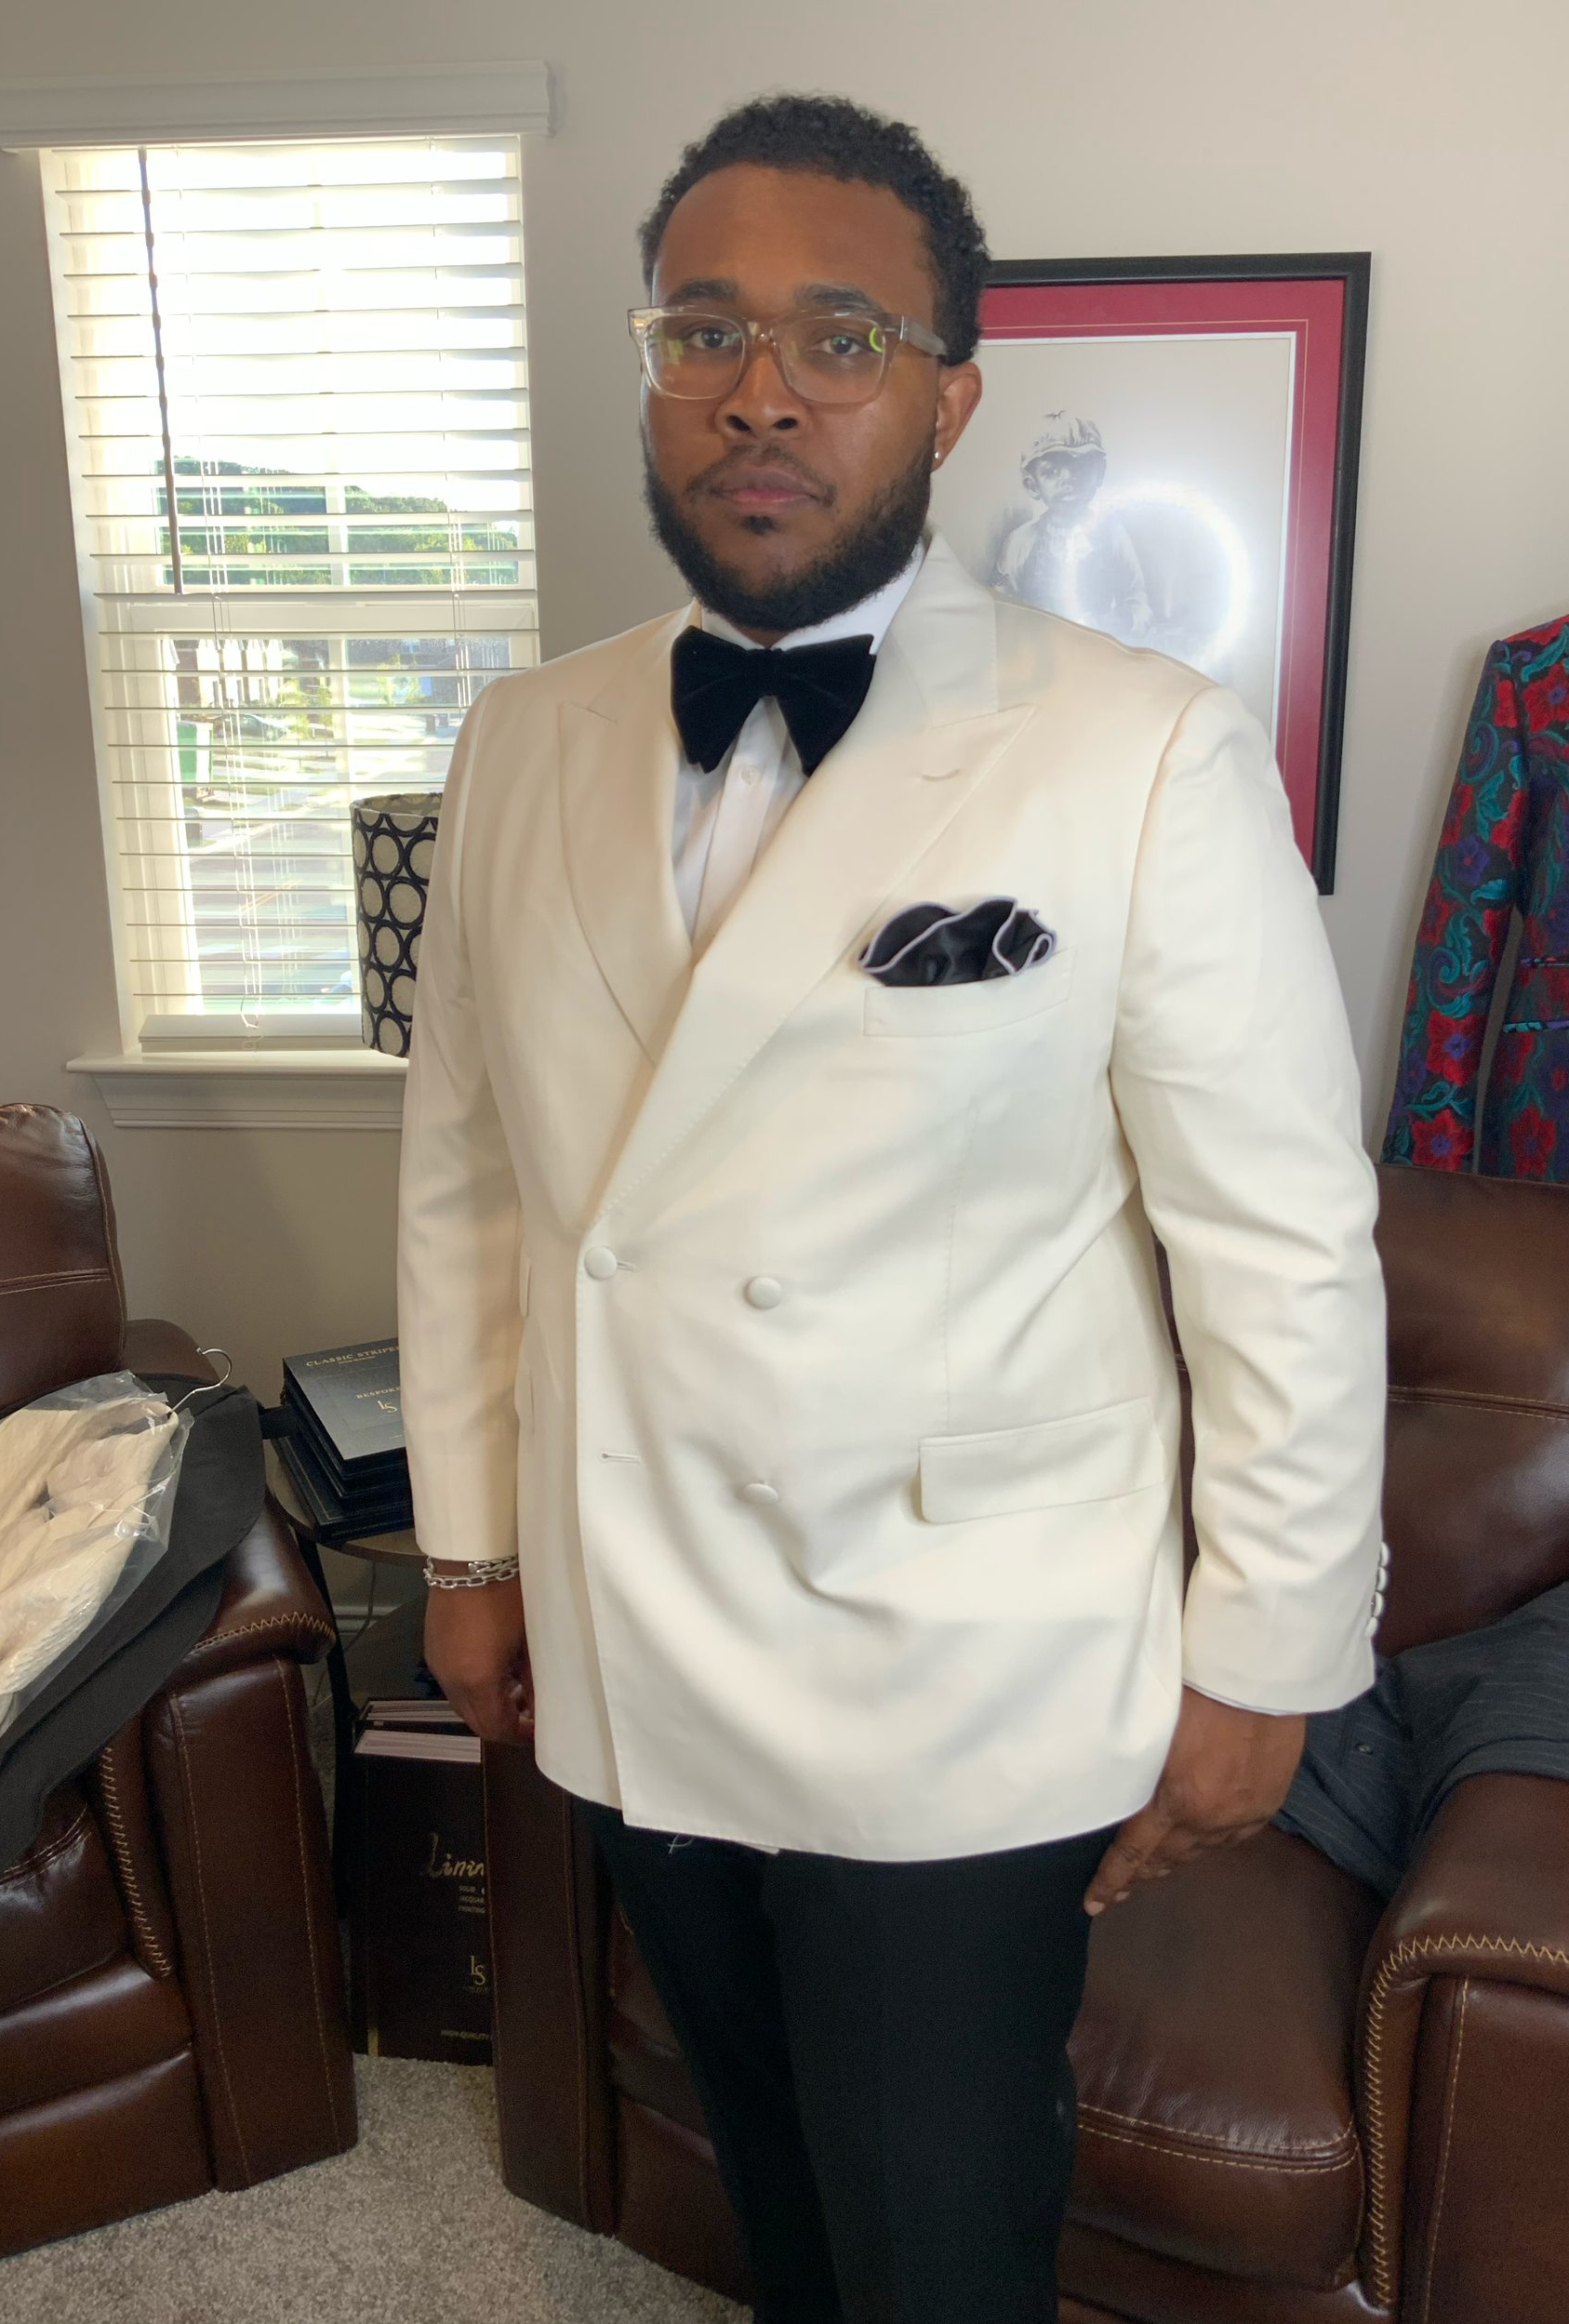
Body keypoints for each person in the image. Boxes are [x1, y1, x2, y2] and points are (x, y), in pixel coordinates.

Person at [398, 92, 1387, 2324]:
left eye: (836, 336)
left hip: (959, 1652)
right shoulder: (518, 744)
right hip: (631, 1618)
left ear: (948, 394)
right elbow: (467, 1172)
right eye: (701, 328)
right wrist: (470, 1553)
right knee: (766, 2177)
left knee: (936, 2236)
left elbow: (1274, 1248)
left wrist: (1262, 1654)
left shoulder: (1136, 747)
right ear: (648, 368)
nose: (758, 388)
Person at [991, 412, 1152, 638]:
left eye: (1080, 467)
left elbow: (1137, 601)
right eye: (1051, 471)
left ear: (1099, 474)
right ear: (1032, 485)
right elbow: (1001, 604)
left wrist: (1120, 622)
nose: (1068, 479)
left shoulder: (1111, 536)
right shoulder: (1021, 542)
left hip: (1093, 650)